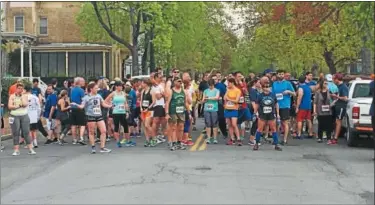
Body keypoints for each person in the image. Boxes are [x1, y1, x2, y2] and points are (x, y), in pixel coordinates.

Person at [74, 83, 112, 153]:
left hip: (99, 115)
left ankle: (102, 147)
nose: (97, 89)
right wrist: (76, 105)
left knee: (103, 131)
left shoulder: (99, 96)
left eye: (97, 88)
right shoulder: (86, 97)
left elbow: (103, 104)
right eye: (95, 88)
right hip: (91, 115)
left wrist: (110, 106)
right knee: (91, 132)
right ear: (91, 89)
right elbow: (82, 106)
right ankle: (93, 147)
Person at [253, 77, 282, 151]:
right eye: (265, 87)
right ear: (262, 88)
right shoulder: (260, 95)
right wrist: (254, 113)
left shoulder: (272, 95)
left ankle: (276, 144)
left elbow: (276, 104)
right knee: (259, 129)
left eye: (268, 86)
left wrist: (278, 114)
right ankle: (256, 143)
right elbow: (257, 104)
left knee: (273, 129)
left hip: (271, 114)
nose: (266, 88)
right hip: (262, 114)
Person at [8, 83, 36, 156]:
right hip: (14, 115)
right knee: (15, 132)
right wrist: (18, 106)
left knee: (26, 132)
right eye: (19, 88)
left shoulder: (24, 96)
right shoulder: (12, 96)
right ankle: (16, 150)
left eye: (21, 88)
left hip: (24, 115)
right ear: (16, 89)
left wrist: (20, 99)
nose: (20, 90)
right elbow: (10, 106)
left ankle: (30, 149)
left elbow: (25, 104)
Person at [105, 81, 134, 147]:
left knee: (125, 126)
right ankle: (118, 142)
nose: (121, 87)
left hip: (123, 112)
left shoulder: (123, 93)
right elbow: (106, 100)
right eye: (120, 86)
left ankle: (128, 140)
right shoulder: (113, 93)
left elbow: (125, 103)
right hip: (116, 112)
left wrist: (127, 111)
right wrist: (111, 105)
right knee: (116, 127)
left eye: (122, 86)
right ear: (116, 87)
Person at [271, 69, 296, 145]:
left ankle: (284, 140)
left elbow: (294, 94)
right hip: (276, 105)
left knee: (285, 122)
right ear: (277, 75)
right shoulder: (274, 84)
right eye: (279, 74)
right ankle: (276, 139)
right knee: (275, 123)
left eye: (282, 74)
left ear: (284, 75)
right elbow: (272, 94)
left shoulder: (288, 83)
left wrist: (288, 92)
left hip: (285, 105)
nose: (281, 75)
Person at [165, 77, 188, 151]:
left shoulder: (183, 91)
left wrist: (189, 112)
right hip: (173, 111)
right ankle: (173, 143)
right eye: (178, 81)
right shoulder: (171, 91)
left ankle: (179, 142)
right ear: (174, 82)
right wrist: (167, 113)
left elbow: (185, 102)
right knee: (174, 127)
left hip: (181, 111)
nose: (180, 83)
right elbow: (167, 103)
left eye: (181, 82)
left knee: (181, 127)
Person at [330, 73, 349, 145]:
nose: (333, 81)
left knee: (338, 121)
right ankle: (334, 136)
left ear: (337, 79)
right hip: (337, 105)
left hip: (341, 106)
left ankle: (335, 138)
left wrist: (336, 97)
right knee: (336, 121)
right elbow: (338, 96)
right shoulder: (339, 86)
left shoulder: (343, 87)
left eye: (333, 79)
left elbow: (345, 98)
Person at [224, 78, 242, 146]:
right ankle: (232, 139)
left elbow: (237, 101)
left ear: (232, 83)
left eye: (229, 83)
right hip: (227, 108)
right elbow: (224, 98)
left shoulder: (237, 90)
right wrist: (227, 91)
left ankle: (238, 138)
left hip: (234, 108)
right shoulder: (228, 90)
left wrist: (229, 99)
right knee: (229, 124)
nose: (228, 84)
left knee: (234, 124)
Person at [70, 77, 86, 145]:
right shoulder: (81, 90)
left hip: (72, 107)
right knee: (82, 124)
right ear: (79, 82)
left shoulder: (72, 90)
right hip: (79, 108)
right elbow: (83, 100)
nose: (84, 82)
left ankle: (74, 139)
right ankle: (81, 138)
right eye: (83, 81)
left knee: (74, 124)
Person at [202, 79, 220, 144]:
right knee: (208, 123)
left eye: (211, 85)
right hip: (207, 108)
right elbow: (203, 100)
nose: (210, 87)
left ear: (213, 85)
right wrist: (204, 100)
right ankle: (208, 138)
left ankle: (215, 138)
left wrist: (208, 98)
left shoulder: (217, 90)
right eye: (209, 85)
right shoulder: (205, 91)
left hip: (214, 108)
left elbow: (216, 98)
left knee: (214, 123)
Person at [25, 84, 41, 148]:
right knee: (34, 129)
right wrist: (38, 115)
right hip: (34, 114)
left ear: (25, 90)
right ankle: (35, 142)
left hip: (26, 114)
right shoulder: (35, 97)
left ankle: (30, 143)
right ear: (31, 90)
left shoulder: (24, 97)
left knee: (28, 130)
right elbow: (39, 107)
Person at [140, 79, 155, 147]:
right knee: (144, 126)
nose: (141, 85)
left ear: (146, 83)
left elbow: (154, 101)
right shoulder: (143, 91)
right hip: (143, 110)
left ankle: (153, 138)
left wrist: (148, 108)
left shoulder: (151, 91)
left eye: (142, 83)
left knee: (147, 125)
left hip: (150, 110)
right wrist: (140, 107)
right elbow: (141, 100)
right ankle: (147, 140)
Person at [213, 74, 228, 138]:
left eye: (215, 79)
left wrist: (225, 104)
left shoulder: (221, 86)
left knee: (221, 119)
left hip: (220, 104)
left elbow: (225, 95)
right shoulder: (209, 86)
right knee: (212, 120)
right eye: (212, 79)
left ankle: (224, 133)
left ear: (218, 79)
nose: (214, 81)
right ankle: (211, 134)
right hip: (212, 105)